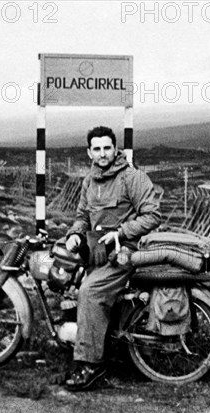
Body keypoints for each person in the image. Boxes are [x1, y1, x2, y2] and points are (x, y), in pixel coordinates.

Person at [64, 126, 162, 391]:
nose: (103, 154)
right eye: (97, 149)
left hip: (124, 253)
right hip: (97, 253)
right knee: (65, 279)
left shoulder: (133, 177)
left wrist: (120, 232)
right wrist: (74, 234)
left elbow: (152, 215)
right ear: (89, 153)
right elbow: (82, 216)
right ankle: (91, 344)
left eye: (107, 148)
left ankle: (91, 366)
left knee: (90, 292)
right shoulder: (89, 181)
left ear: (115, 149)